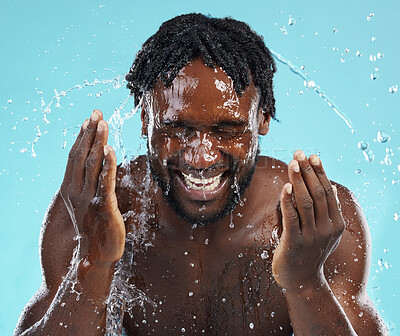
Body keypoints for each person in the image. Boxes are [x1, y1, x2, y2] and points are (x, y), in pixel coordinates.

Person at [15, 13, 388, 336]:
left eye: (227, 129)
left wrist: (307, 283)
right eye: (177, 128)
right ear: (146, 118)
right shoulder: (95, 212)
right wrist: (93, 263)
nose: (201, 157)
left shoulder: (314, 227)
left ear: (262, 118)